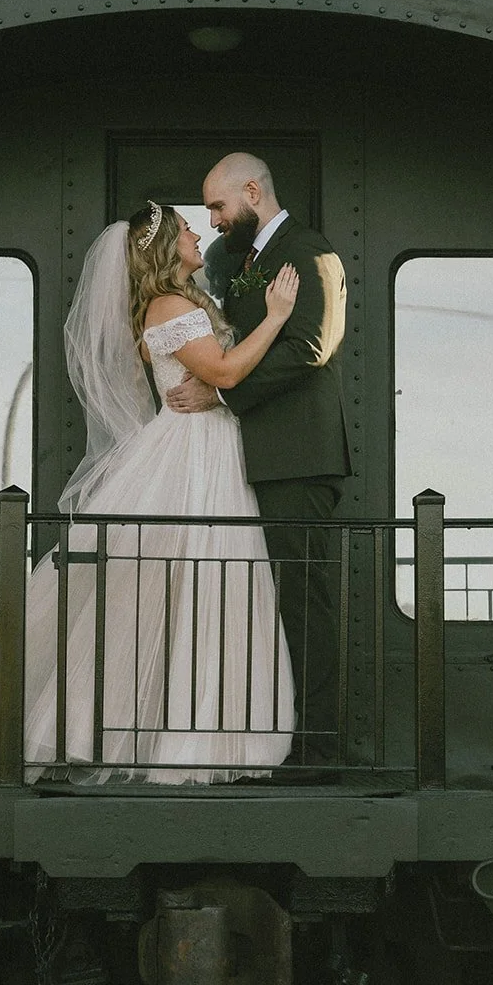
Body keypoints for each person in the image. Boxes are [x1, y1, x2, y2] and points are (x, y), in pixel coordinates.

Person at [0, 203, 299, 787]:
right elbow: (223, 374)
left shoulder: (189, 300)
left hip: (207, 453)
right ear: (165, 247)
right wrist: (276, 316)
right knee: (179, 592)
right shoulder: (169, 305)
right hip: (189, 457)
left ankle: (190, 736)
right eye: (187, 229)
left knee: (191, 595)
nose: (197, 232)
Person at [166, 153, 352, 769]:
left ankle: (319, 749)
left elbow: (312, 345)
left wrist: (219, 390)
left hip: (296, 456)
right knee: (269, 602)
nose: (213, 219)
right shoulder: (243, 260)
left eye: (218, 206)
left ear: (252, 191)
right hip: (253, 458)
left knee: (303, 600)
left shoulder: (310, 250)